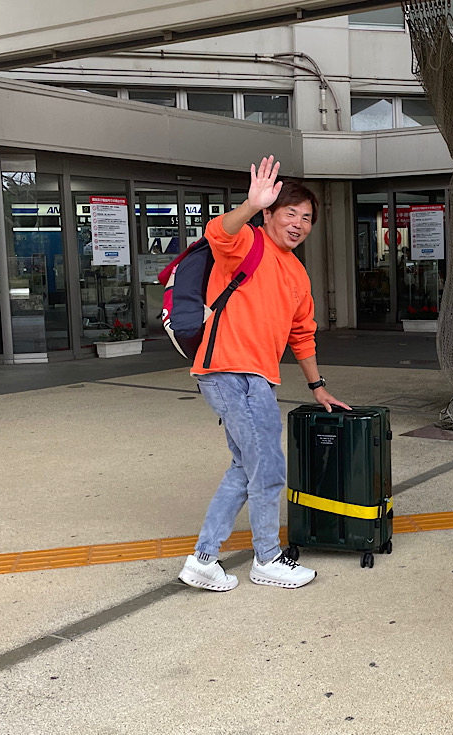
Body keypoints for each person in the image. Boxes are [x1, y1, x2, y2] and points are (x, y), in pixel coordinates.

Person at [178, 155, 349, 593]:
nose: (298, 224)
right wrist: (251, 204)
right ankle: (268, 558)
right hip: (228, 370)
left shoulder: (297, 273)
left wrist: (318, 387)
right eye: (290, 213)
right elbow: (218, 231)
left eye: (306, 218)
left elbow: (302, 334)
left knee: (246, 465)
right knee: (268, 465)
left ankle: (203, 560)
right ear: (269, 214)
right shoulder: (248, 242)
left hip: (256, 378)